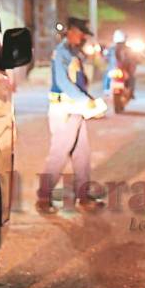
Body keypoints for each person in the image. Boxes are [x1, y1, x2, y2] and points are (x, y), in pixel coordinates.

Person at [36, 17, 102, 214]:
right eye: (81, 34)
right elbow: (63, 83)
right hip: (64, 109)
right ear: (72, 32)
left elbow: (79, 81)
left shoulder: (74, 52)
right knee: (59, 153)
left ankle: (83, 196)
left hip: (76, 109)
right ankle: (44, 198)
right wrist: (85, 100)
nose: (83, 38)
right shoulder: (62, 53)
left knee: (82, 154)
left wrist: (87, 100)